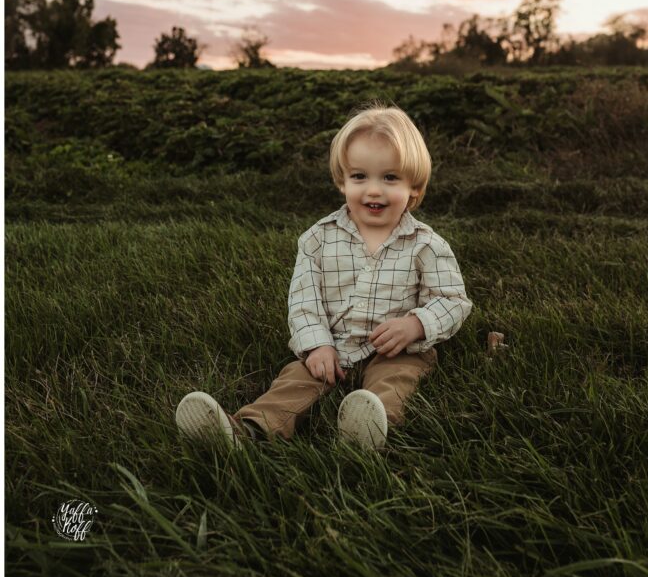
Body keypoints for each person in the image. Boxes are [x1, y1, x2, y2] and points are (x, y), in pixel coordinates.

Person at [175, 102, 473, 451]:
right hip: (335, 346)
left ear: (414, 189)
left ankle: (370, 430)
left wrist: (416, 325)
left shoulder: (426, 245)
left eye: (390, 177)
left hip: (396, 350)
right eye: (360, 177)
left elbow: (453, 300)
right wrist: (317, 344)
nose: (373, 190)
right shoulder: (318, 238)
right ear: (341, 182)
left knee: (394, 383)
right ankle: (247, 430)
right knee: (293, 383)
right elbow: (305, 300)